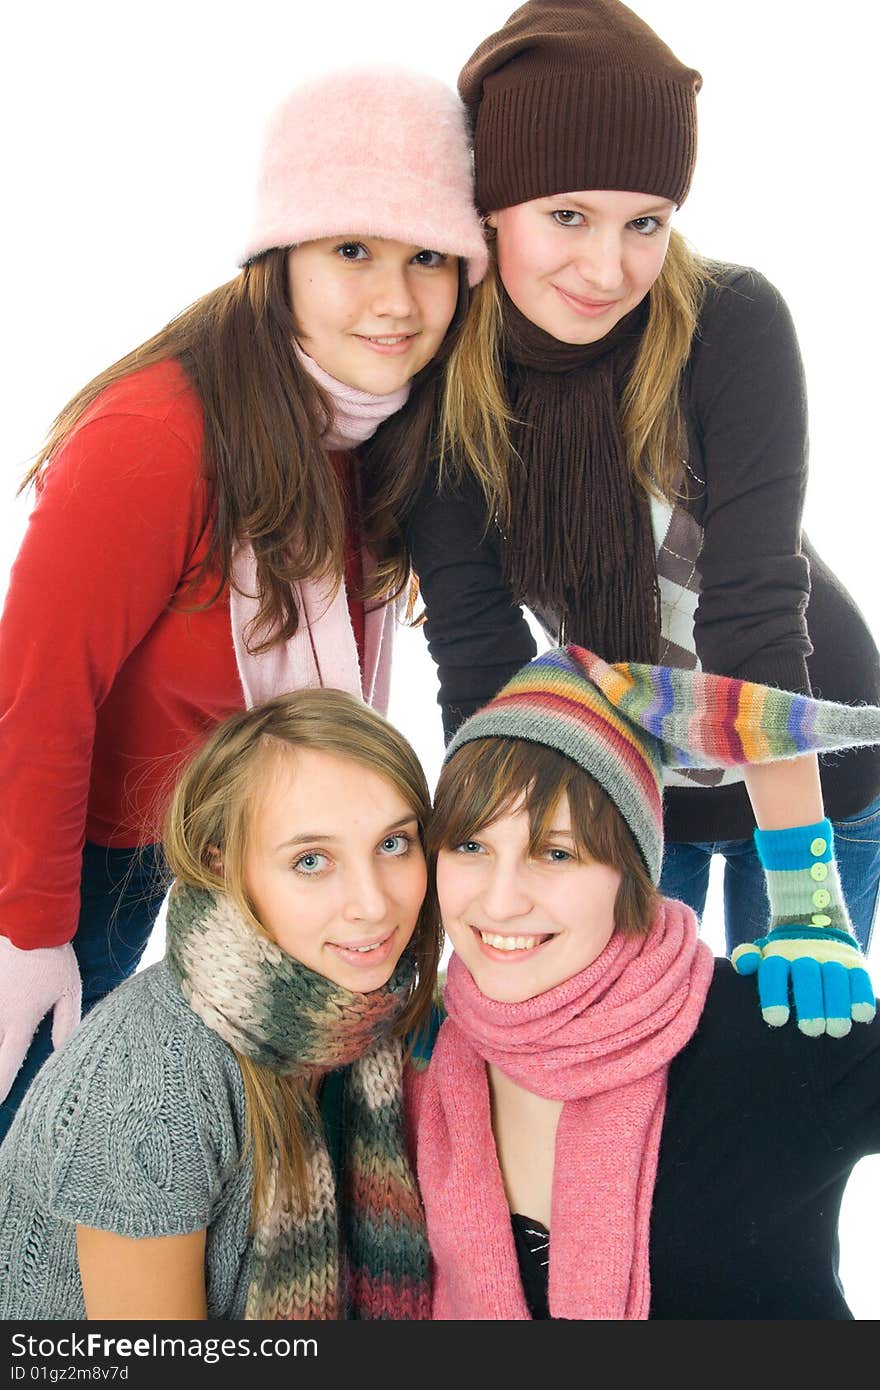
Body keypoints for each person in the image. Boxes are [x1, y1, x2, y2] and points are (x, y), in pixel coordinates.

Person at [0, 65, 487, 1140]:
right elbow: (35, 695)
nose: (396, 299)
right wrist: (27, 928)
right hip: (68, 848)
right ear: (280, 256)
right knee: (31, 1130)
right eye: (351, 248)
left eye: (430, 258)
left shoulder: (375, 430)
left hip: (223, 845)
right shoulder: (157, 436)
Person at [402, 0, 880, 986]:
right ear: (489, 205)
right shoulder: (439, 387)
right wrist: (508, 886)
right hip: (627, 786)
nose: (607, 266)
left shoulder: (728, 325)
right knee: (629, 1100)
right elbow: (481, 659)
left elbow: (753, 604)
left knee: (781, 1087)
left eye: (644, 222)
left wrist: (802, 897)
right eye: (566, 216)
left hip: (812, 779)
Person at [406, 645, 880, 1319]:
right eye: (471, 845)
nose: (500, 900)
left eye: (556, 851)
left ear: (632, 870)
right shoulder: (428, 1055)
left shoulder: (779, 1035)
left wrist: (811, 897)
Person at [0, 687, 440, 1320]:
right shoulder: (156, 1072)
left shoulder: (375, 1015)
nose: (372, 903)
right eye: (311, 860)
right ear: (224, 864)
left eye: (394, 844)